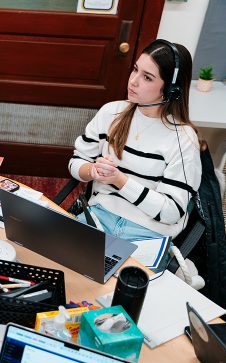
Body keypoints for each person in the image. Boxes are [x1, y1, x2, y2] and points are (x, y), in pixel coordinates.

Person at [68, 39, 202, 240]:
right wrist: (91, 171)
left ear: (170, 90)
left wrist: (120, 181)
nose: (133, 81)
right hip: (99, 215)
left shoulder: (183, 139)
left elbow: (171, 212)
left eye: (147, 77)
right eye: (135, 70)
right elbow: (76, 162)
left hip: (148, 232)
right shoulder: (111, 112)